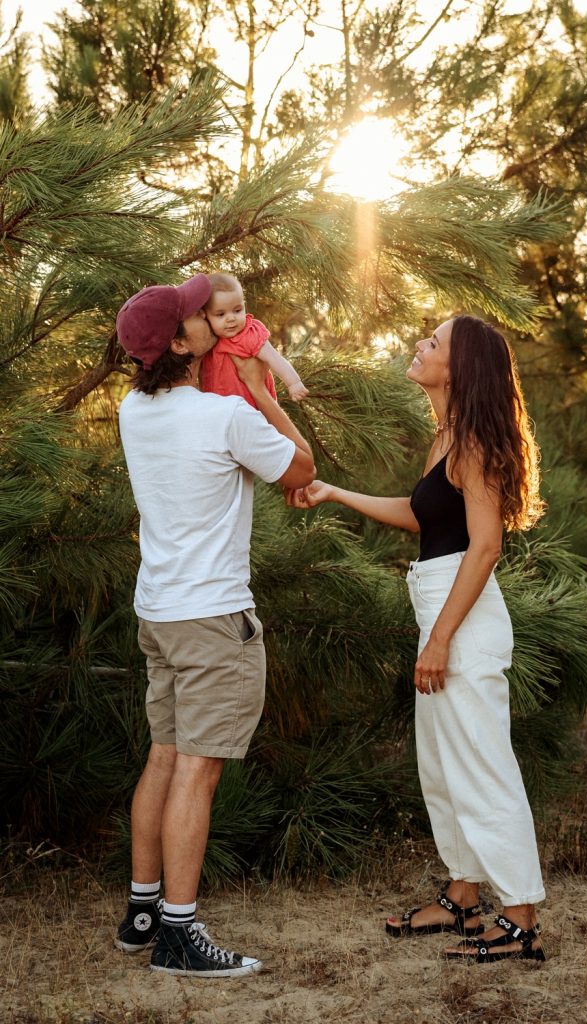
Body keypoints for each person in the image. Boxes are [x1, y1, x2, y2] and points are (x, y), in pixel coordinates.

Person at [287, 314, 546, 963]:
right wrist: (335, 493)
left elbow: (484, 548)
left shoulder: (476, 444)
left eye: (433, 341)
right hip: (441, 611)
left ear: (459, 369)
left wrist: (440, 640)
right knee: (443, 768)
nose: (418, 344)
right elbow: (423, 518)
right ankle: (462, 896)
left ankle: (520, 916)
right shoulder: (447, 438)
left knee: (481, 768)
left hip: (462, 619)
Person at [114, 274, 315, 977]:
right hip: (211, 619)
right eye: (196, 315)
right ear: (179, 343)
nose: (209, 317)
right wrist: (262, 394)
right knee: (196, 772)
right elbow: (301, 469)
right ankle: (177, 935)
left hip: (159, 612)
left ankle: (143, 912)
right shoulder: (222, 417)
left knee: (164, 757)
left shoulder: (132, 409)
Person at [202, 272, 309, 406]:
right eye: (220, 314)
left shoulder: (248, 333)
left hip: (253, 408)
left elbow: (273, 358)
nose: (231, 318)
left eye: (237, 310)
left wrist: (294, 383)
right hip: (218, 409)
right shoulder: (206, 339)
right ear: (205, 315)